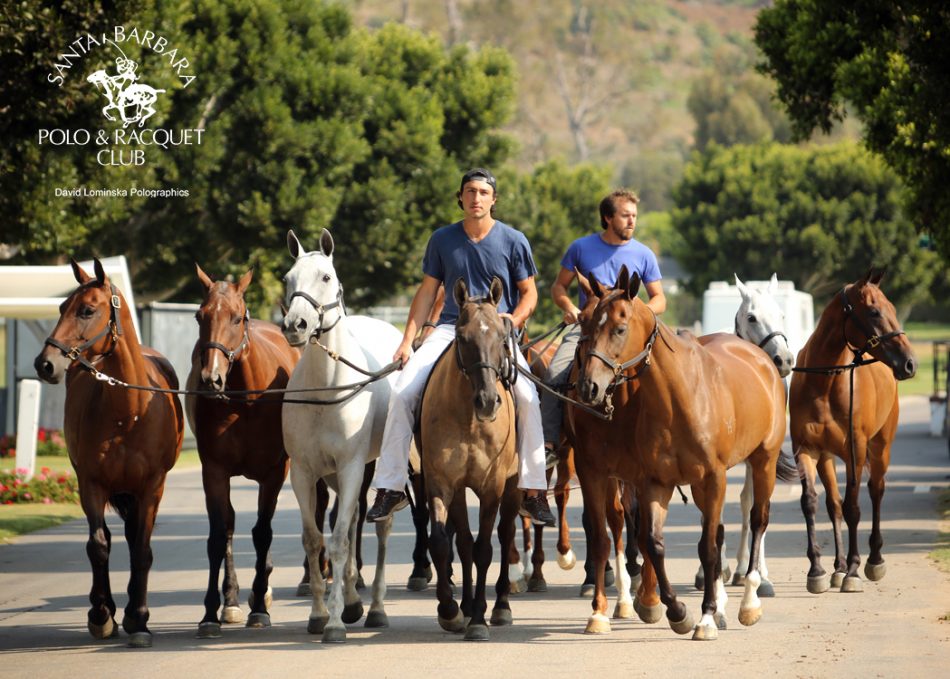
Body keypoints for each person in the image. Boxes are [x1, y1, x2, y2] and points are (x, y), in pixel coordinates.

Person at [366, 168, 556, 527]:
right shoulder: (442, 239)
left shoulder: (514, 240)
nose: (476, 198)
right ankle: (389, 487)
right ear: (461, 197)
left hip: (497, 331)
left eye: (484, 192)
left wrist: (511, 321)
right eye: (470, 191)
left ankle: (534, 491)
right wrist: (407, 341)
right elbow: (427, 292)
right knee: (404, 392)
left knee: (529, 397)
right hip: (452, 329)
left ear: (493, 199)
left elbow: (529, 292)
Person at [540, 189, 666, 464]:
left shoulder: (644, 254)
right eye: (625, 216)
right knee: (555, 372)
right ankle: (550, 443)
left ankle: (671, 440)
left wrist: (636, 314)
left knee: (670, 375)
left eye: (634, 216)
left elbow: (659, 299)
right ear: (608, 218)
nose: (632, 221)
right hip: (590, 328)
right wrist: (570, 309)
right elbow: (559, 286)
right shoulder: (580, 248)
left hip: (630, 331)